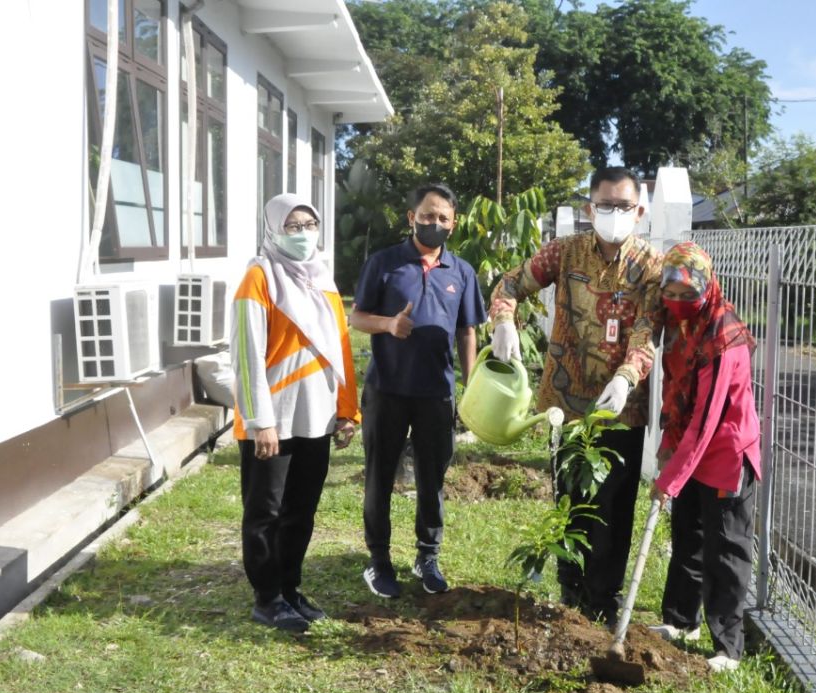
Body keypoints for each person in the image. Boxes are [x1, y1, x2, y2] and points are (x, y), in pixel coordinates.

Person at [489, 167, 663, 625]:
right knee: (569, 496)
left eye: (624, 206)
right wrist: (504, 321)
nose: (614, 213)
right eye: (605, 205)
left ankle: (603, 599)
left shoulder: (650, 267)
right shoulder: (564, 253)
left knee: (615, 503)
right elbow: (510, 283)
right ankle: (571, 592)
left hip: (620, 406)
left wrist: (627, 377)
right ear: (590, 209)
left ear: (639, 211)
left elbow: (647, 329)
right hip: (565, 402)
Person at [351, 183, 487, 598]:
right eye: (427, 215)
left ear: (454, 223)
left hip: (436, 393)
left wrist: (470, 388)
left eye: (443, 218)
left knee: (432, 478)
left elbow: (467, 332)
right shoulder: (385, 263)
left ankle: (427, 557)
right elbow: (356, 317)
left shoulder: (461, 272)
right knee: (380, 476)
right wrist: (389, 325)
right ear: (412, 218)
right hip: (387, 389)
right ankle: (379, 561)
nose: (435, 223)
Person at [231, 193, 360, 632]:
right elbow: (246, 357)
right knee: (265, 510)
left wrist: (347, 410)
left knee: (301, 510)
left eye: (309, 224)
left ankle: (290, 588)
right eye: (292, 226)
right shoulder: (259, 278)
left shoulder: (323, 280)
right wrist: (259, 421)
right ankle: (266, 597)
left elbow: (340, 348)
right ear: (272, 229)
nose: (303, 234)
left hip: (316, 416)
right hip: (274, 418)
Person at [649, 241, 760, 673]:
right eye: (670, 295)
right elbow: (675, 390)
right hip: (690, 451)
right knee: (688, 536)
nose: (677, 303)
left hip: (725, 455)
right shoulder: (681, 326)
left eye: (686, 295)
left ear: (706, 286)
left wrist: (669, 479)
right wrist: (667, 448)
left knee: (725, 551)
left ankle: (728, 647)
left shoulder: (722, 337)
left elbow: (707, 419)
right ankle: (680, 621)